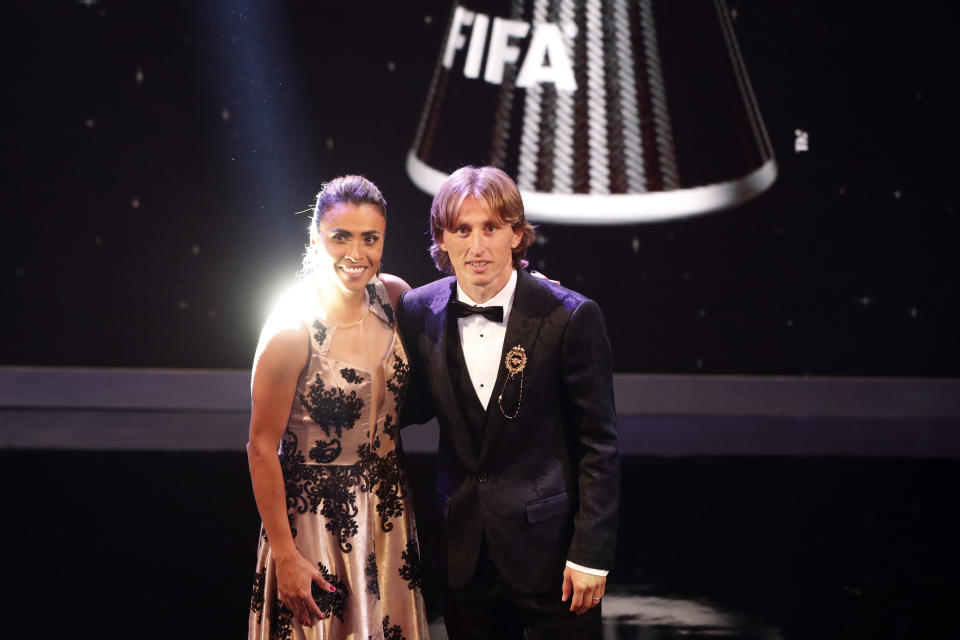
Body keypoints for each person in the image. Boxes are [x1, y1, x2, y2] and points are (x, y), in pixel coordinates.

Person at [396, 166, 620, 639]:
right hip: (465, 553)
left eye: (491, 228)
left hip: (555, 559)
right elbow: (408, 408)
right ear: (442, 238)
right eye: (462, 229)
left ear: (517, 234)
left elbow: (597, 445)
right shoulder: (417, 310)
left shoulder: (570, 316)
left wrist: (590, 556)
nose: (477, 246)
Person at [246, 176, 429, 640]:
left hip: (388, 520)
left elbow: (454, 316)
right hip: (314, 527)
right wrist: (286, 557)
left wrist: (522, 291)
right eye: (340, 236)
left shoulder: (392, 297)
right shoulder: (292, 328)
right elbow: (261, 448)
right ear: (315, 239)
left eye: (370, 238)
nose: (357, 252)